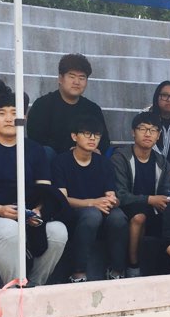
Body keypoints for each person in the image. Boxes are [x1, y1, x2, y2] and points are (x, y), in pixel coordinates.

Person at [0, 93, 69, 286]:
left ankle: (35, 285)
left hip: (27, 216)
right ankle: (16, 289)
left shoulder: (35, 150)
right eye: (2, 113)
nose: (9, 118)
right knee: (10, 229)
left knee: (58, 232)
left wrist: (38, 212)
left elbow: (45, 191)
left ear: (23, 119)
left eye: (14, 113)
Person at [53, 116, 128, 282]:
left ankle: (117, 271)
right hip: (72, 213)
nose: (92, 138)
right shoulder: (61, 161)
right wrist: (93, 203)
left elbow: (110, 194)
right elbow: (61, 199)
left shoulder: (104, 163)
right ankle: (78, 272)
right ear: (74, 136)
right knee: (91, 215)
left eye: (97, 135)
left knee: (118, 217)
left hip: (100, 210)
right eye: (87, 134)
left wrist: (112, 201)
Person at [111, 112, 170, 276]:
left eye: (153, 130)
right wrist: (150, 199)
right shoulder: (120, 158)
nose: (148, 134)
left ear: (158, 135)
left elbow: (168, 190)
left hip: (153, 208)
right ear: (133, 132)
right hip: (125, 207)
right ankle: (133, 267)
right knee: (139, 216)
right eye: (143, 129)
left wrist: (166, 200)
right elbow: (120, 194)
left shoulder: (162, 161)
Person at [27, 53, 110, 156]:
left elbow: (104, 142)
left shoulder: (93, 109)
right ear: (60, 79)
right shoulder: (42, 105)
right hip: (54, 160)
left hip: (85, 159)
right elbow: (36, 139)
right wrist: (72, 152)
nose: (76, 82)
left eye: (82, 78)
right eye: (72, 76)